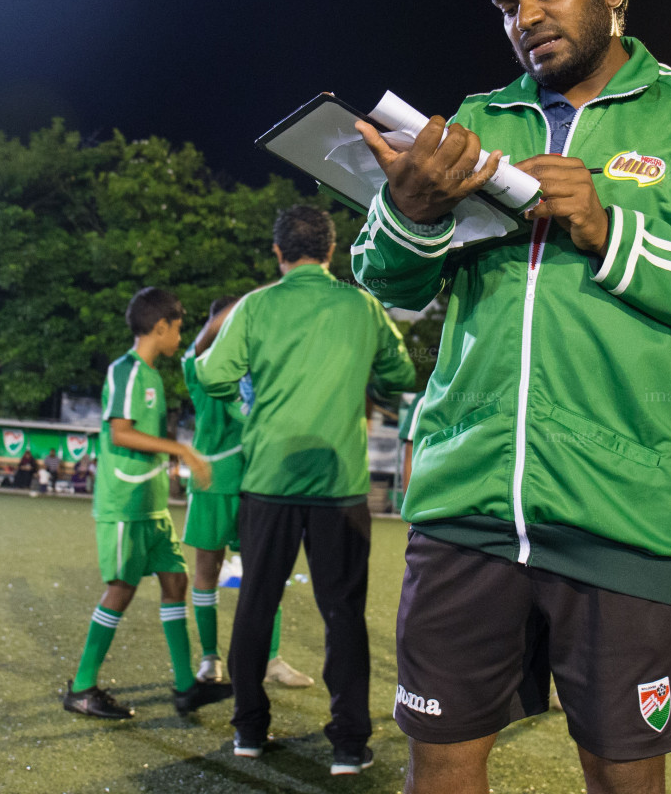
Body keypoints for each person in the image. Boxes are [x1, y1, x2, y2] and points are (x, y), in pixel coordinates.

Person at [351, 0, 671, 794]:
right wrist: (409, 210)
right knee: (438, 765)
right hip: (465, 504)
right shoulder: (473, 122)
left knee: (625, 776)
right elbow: (387, 284)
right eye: (509, 3)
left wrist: (612, 232)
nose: (527, 17)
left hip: (622, 516)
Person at [198, 205, 415, 773]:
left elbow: (212, 374)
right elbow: (400, 375)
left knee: (255, 604)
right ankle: (347, 745)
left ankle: (248, 731)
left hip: (267, 480)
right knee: (343, 613)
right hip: (339, 486)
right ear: (330, 251)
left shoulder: (256, 305)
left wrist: (253, 406)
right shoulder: (361, 305)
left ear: (277, 253)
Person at [61, 286, 228, 721]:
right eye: (178, 328)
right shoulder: (128, 371)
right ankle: (81, 687)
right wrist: (182, 451)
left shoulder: (152, 375)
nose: (180, 336)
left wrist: (167, 459)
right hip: (124, 504)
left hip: (150, 505)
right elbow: (120, 432)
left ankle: (185, 687)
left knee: (176, 581)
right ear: (161, 327)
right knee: (121, 588)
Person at [181, 295, 314, 690]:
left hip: (256, 487)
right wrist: (234, 312)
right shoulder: (203, 369)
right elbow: (197, 349)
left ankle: (270, 659)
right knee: (206, 572)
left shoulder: (261, 373)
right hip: (211, 487)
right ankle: (209, 658)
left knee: (262, 575)